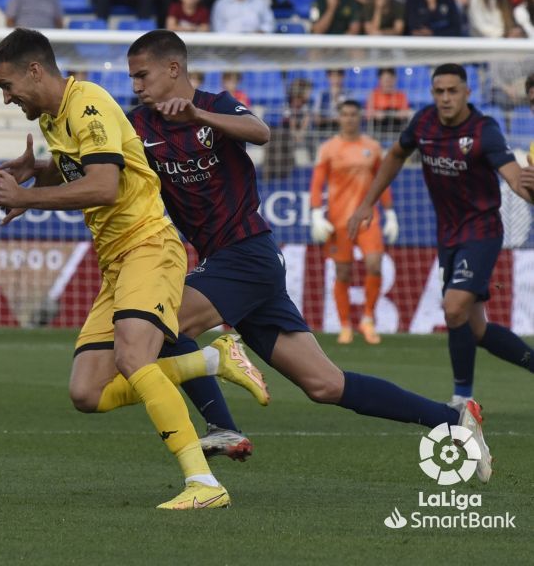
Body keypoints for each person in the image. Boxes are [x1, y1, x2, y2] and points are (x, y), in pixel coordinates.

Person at [124, 30, 495, 484]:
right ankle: (454, 419)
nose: (136, 86)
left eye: (142, 76)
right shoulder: (137, 125)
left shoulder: (213, 105)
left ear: (173, 68)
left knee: (164, 324)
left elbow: (260, 132)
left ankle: (221, 425)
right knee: (326, 385)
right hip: (232, 264)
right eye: (132, 78)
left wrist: (197, 115)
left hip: (246, 253)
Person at [0, 28, 266, 509]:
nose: (7, 98)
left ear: (35, 70)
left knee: (135, 358)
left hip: (149, 246)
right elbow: (89, 166)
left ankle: (204, 485)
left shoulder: (87, 104)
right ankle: (213, 360)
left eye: (7, 86)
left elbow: (104, 186)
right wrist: (40, 172)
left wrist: (29, 197)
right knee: (87, 392)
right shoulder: (54, 117)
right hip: (117, 260)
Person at [349, 63, 534, 415]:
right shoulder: (424, 123)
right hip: (448, 234)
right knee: (476, 328)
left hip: (481, 231)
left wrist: (530, 189)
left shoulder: (484, 130)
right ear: (432, 93)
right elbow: (396, 154)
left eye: (453, 91)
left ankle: (462, 399)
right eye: (439, 91)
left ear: (467, 93)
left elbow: (514, 178)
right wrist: (368, 202)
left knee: (453, 307)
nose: (446, 98)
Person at [309, 100, 399, 345]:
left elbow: (382, 180)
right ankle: (345, 325)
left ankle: (368, 319)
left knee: (375, 265)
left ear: (360, 117)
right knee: (343, 272)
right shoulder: (328, 148)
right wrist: (316, 213)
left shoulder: (372, 147)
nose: (349, 118)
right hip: (339, 220)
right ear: (339, 118)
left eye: (353, 114)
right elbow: (316, 184)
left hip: (368, 219)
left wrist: (390, 213)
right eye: (345, 114)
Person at [365, 66, 411, 134]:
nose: (388, 83)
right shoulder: (373, 95)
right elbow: (367, 115)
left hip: (397, 129)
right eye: (385, 80)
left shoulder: (401, 95)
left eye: (390, 80)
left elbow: (406, 112)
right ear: (380, 80)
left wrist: (400, 114)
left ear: (395, 79)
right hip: (378, 129)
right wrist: (376, 114)